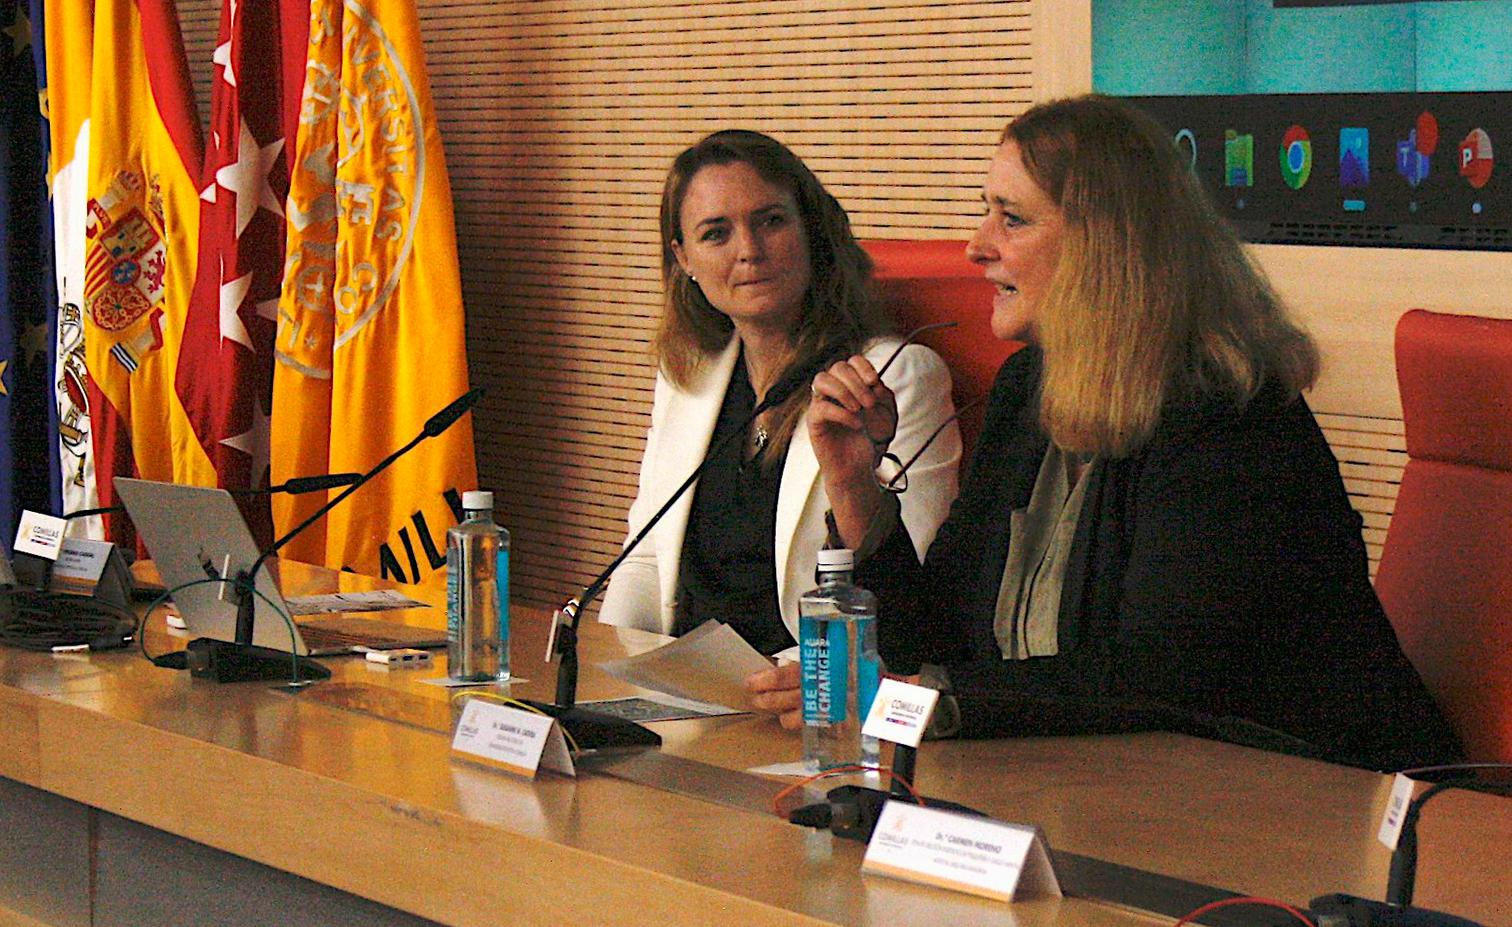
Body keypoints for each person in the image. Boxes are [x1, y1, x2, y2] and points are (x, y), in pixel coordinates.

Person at [748, 96, 1460, 770]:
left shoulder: (1229, 409)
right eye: (984, 213)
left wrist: (921, 702)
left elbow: (1163, 677)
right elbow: (941, 636)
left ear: (1104, 246)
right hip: (1107, 789)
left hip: (1316, 807)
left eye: (1012, 220)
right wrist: (855, 489)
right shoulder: (1030, 387)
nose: (975, 246)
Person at [598, 129, 960, 662]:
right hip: (684, 688)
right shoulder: (689, 376)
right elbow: (647, 562)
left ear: (811, 230)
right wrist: (612, 668)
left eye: (771, 221)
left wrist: (795, 679)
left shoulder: (892, 375)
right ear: (684, 260)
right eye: (716, 234)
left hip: (803, 688)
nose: (749, 251)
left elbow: (913, 585)